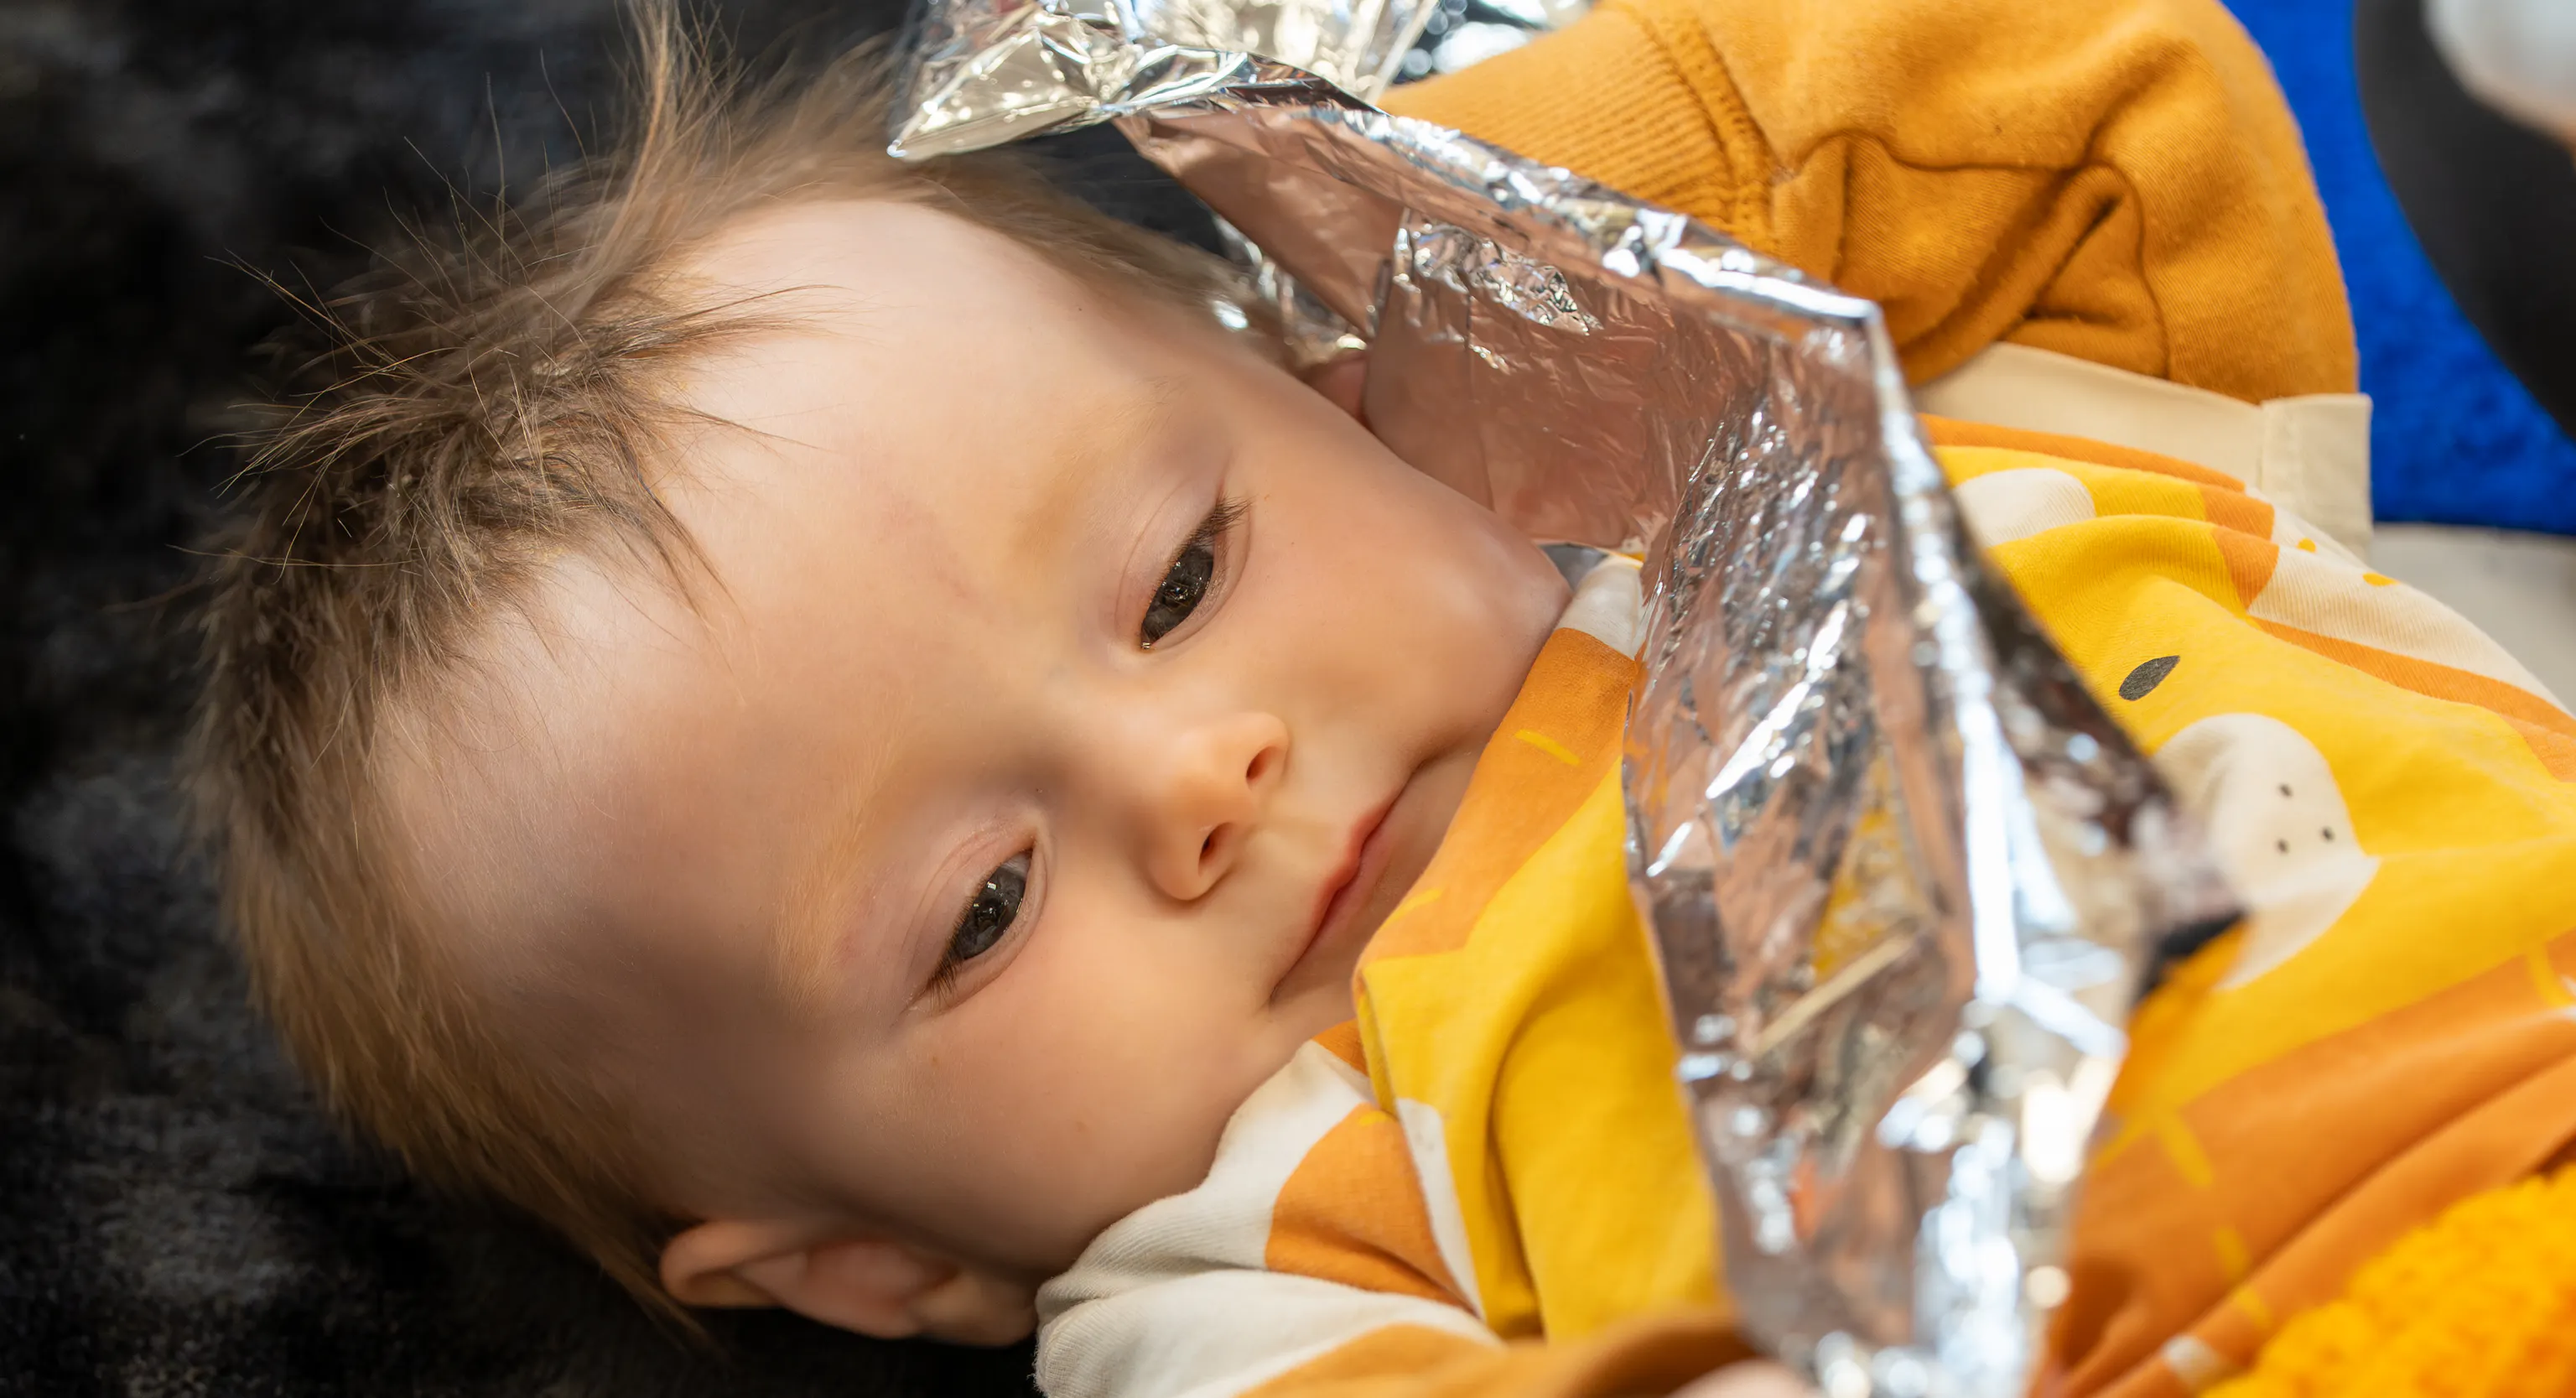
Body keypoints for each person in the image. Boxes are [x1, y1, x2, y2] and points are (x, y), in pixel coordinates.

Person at [188, 0, 2576, 1395]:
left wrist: (1505, 223)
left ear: (1344, 395)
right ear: (872, 1267)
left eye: (1185, 573)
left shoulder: (1879, 445)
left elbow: (2094, 120)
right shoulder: (1242, 1263)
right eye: (983, 908)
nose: (1193, 775)